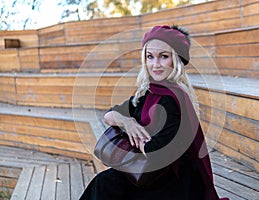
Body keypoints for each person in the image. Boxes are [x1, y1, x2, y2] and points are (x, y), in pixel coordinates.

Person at [80, 25, 228, 200]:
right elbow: (110, 115)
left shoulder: (172, 99)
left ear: (176, 60)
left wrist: (135, 135)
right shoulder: (148, 91)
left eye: (163, 56)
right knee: (106, 182)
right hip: (150, 172)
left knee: (107, 183)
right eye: (150, 57)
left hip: (174, 181)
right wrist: (128, 122)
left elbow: (155, 150)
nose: (155, 64)